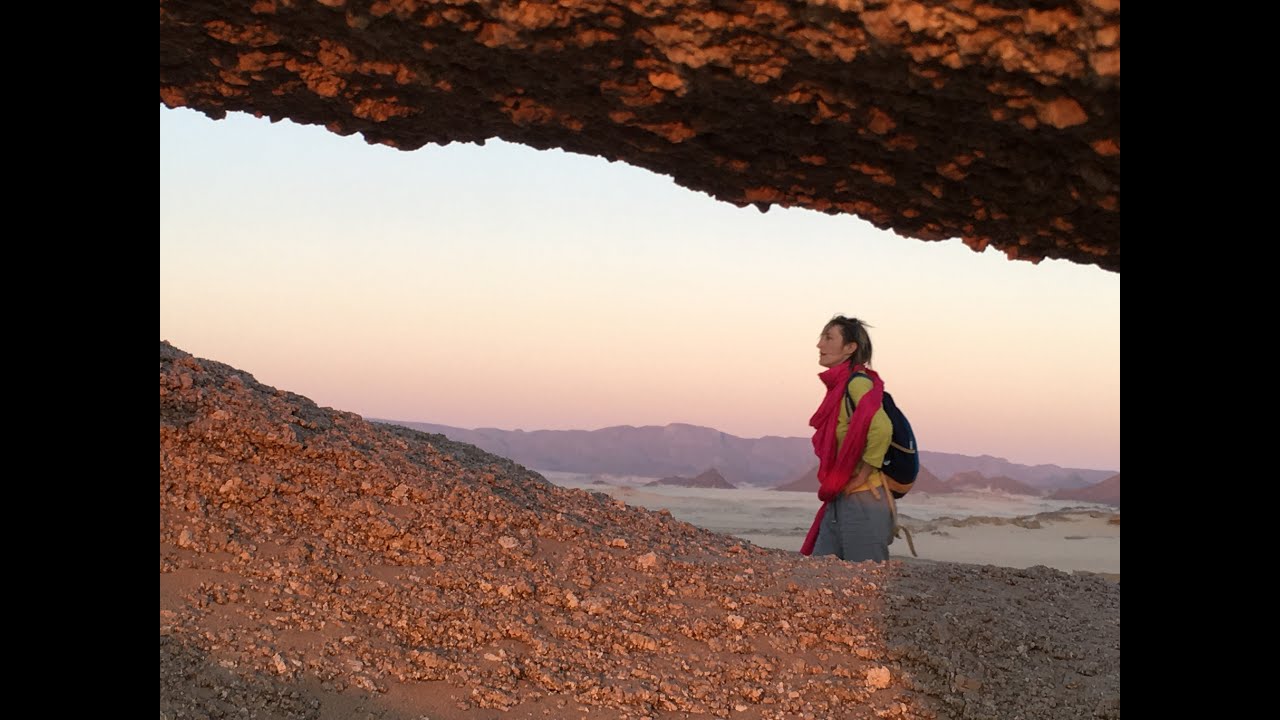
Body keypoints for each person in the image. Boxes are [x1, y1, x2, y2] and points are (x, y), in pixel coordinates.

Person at [800, 315, 895, 562]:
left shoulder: (856, 384)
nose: (820, 345)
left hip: (864, 498)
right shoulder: (839, 388)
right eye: (822, 337)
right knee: (821, 572)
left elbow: (881, 429)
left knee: (863, 578)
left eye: (829, 338)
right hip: (839, 494)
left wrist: (863, 474)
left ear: (850, 348)